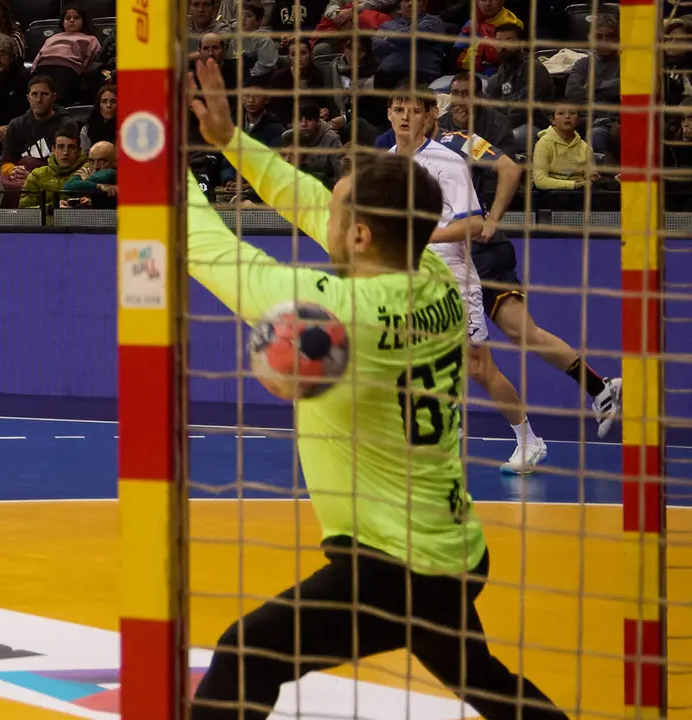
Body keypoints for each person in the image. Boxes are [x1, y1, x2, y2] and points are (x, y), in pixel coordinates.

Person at [184, 58, 571, 720]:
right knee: (478, 676)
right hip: (450, 548)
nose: (320, 212)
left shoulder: (334, 311)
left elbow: (207, 250)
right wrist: (228, 141)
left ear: (359, 233)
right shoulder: (431, 277)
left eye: (338, 211)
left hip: (394, 567)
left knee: (246, 655)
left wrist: (159, 163)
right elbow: (307, 198)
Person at [429, 119, 624, 441]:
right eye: (457, 94)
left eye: (465, 94)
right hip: (440, 255)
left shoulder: (462, 141)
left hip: (478, 254)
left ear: (432, 113)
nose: (461, 101)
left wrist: (491, 221)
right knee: (522, 332)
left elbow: (510, 169)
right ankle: (600, 388)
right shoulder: (398, 149)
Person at [387, 84, 547, 473]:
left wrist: (423, 236)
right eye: (398, 108)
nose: (405, 116)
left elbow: (474, 223)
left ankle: (529, 440)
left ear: (428, 116)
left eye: (414, 110)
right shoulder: (387, 162)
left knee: (478, 367)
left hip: (452, 276)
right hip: (406, 278)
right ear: (389, 114)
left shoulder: (448, 161)